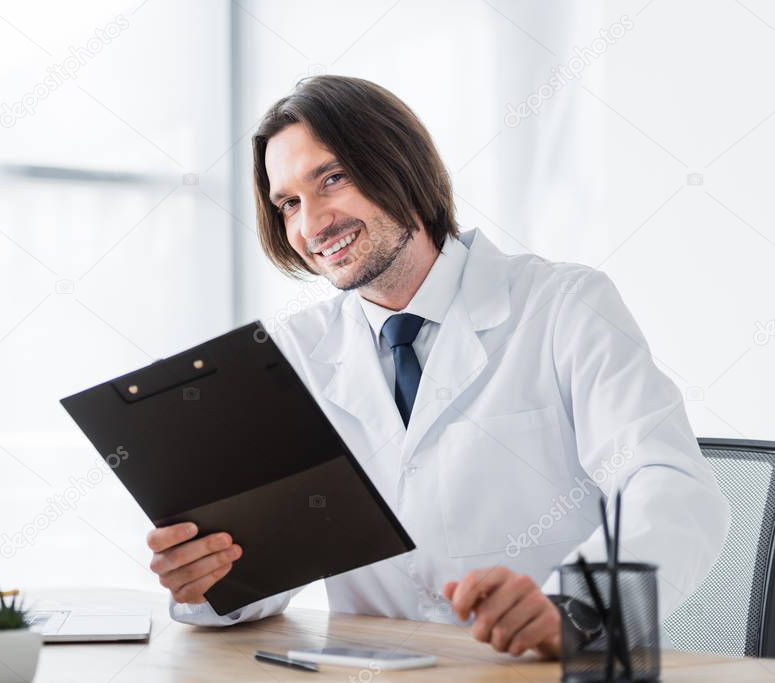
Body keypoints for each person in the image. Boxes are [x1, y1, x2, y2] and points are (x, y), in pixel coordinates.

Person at [145, 75, 729, 658]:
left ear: (400, 165)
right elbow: (268, 559)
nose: (311, 224)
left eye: (332, 178)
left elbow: (673, 487)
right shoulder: (291, 355)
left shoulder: (562, 306)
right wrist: (209, 578)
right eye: (289, 203)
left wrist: (578, 610)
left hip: (536, 670)